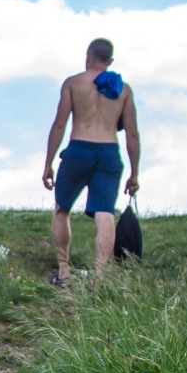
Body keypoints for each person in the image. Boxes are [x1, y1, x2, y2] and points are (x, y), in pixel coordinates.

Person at [41, 37, 140, 285]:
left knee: (62, 209)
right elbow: (132, 134)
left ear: (88, 55)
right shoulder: (124, 89)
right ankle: (99, 277)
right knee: (104, 213)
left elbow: (60, 124)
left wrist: (48, 163)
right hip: (108, 152)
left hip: (78, 150)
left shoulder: (73, 83)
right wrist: (134, 173)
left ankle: (63, 271)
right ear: (111, 61)